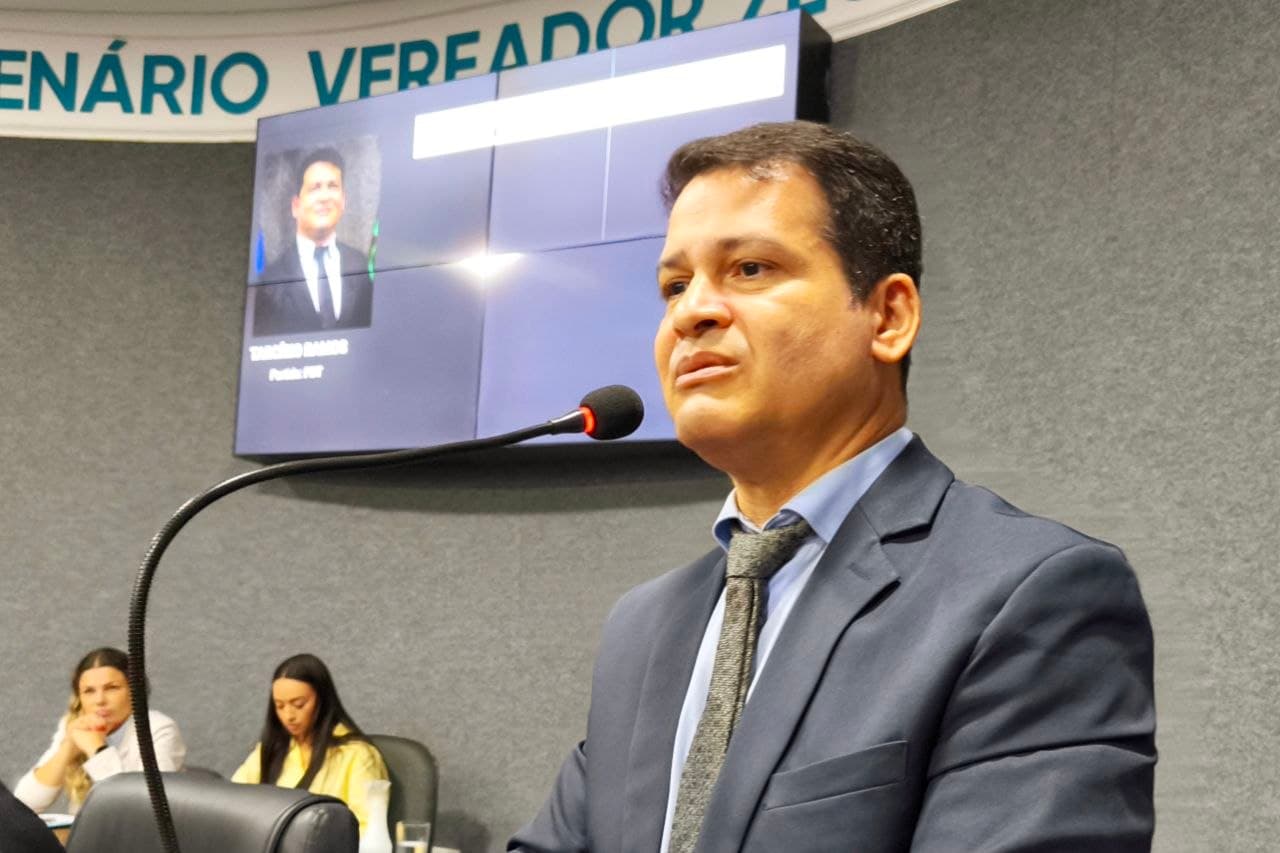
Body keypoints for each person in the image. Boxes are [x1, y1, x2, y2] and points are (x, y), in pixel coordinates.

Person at [509, 121, 1156, 852]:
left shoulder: (1031, 594)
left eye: (750, 268)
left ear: (888, 315)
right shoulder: (644, 626)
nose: (692, 311)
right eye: (675, 284)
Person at [231, 653, 388, 836]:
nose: (288, 715)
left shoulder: (357, 755)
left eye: (298, 704)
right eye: (280, 706)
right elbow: (236, 801)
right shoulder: (273, 749)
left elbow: (367, 831)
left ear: (322, 700)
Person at [14, 647, 186, 814]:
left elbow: (139, 811)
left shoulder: (159, 728)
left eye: (112, 688)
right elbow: (25, 803)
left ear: (134, 691)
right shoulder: (76, 727)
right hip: (91, 839)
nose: (100, 700)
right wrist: (67, 749)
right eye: (89, 691)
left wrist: (96, 749)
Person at [253, 147, 374, 336]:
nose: (325, 197)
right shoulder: (271, 280)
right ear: (296, 206)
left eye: (332, 186)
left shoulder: (359, 264)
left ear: (343, 201)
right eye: (315, 187)